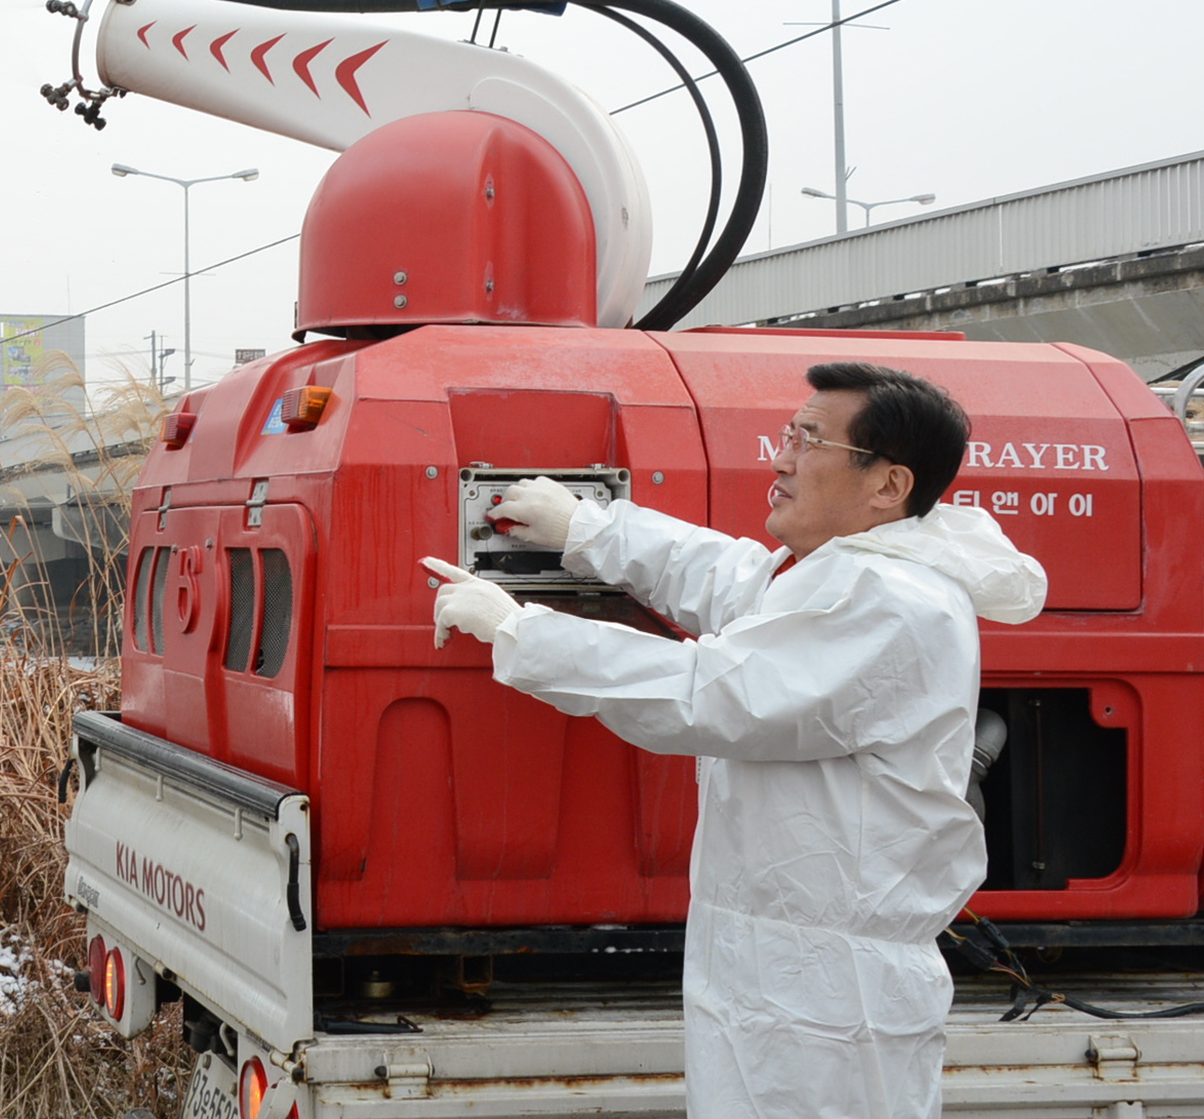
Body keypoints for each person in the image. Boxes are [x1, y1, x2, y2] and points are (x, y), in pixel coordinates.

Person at [426, 361, 1047, 1119]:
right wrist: (593, 528)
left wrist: (518, 629)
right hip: (782, 965)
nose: (780, 458)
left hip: (825, 996)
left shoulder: (891, 600)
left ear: (887, 484)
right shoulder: (854, 570)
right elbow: (739, 584)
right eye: (788, 433)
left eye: (810, 440)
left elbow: (707, 693)